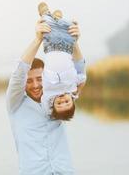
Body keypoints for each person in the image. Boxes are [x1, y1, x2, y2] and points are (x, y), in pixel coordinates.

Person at [6, 12, 86, 174]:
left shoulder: (62, 98)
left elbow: (79, 72)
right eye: (29, 81)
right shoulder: (15, 103)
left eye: (39, 79)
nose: (35, 85)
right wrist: (38, 40)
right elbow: (19, 73)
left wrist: (74, 43)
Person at [38, 2, 86, 120]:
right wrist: (80, 86)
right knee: (68, 27)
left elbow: (45, 108)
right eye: (67, 103)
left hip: (50, 47)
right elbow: (80, 66)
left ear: (52, 104)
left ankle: (46, 13)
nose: (62, 100)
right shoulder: (73, 86)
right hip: (67, 48)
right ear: (73, 101)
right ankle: (58, 18)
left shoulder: (47, 93)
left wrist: (51, 114)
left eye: (59, 104)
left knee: (48, 26)